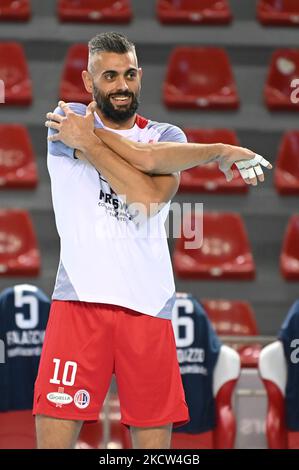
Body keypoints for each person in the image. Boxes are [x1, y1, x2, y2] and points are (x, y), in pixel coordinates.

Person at [35, 32, 272, 449]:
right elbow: (143, 164)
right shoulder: (65, 118)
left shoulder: (168, 135)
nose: (121, 85)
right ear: (89, 83)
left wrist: (89, 140)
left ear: (141, 76)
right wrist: (213, 153)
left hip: (148, 308)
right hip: (78, 304)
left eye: (129, 74)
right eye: (109, 76)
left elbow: (146, 198)